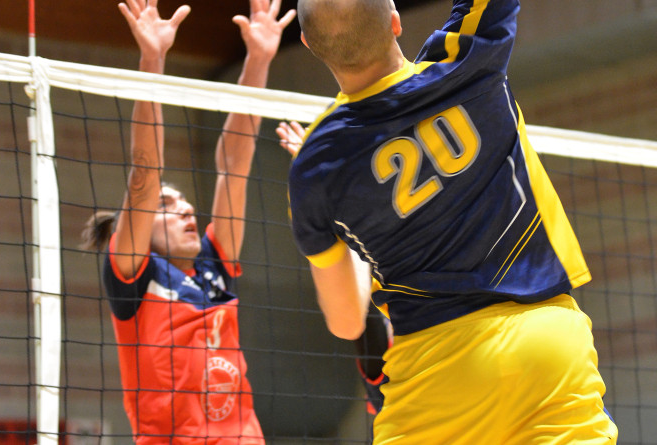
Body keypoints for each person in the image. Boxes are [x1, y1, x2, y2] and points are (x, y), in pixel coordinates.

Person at [276, 0, 619, 442]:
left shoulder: (314, 166)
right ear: (395, 20)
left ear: (309, 44)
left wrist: (346, 223)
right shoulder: (468, 59)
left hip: (435, 369)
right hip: (546, 341)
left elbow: (347, 322)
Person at [81, 0, 295, 442]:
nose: (186, 208)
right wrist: (152, 58)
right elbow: (145, 171)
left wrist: (257, 60)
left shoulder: (215, 261)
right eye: (167, 204)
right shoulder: (134, 274)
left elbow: (234, 167)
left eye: (184, 201)